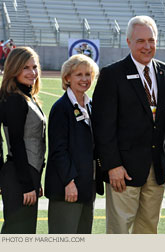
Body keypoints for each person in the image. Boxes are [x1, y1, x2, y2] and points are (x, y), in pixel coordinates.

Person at [92, 15, 165, 234]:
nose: (147, 46)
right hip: (124, 170)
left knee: (149, 229)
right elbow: (103, 126)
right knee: (119, 230)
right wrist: (112, 165)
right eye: (140, 41)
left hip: (156, 169)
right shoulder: (112, 75)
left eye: (151, 40)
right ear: (128, 42)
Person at [45, 54, 103, 234]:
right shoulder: (61, 108)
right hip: (68, 187)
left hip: (87, 186)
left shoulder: (90, 105)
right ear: (67, 78)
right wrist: (69, 182)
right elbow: (58, 150)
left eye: (88, 74)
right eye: (79, 74)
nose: (84, 79)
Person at [0, 47, 46, 234]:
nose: (32, 72)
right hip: (19, 177)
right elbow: (17, 143)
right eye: (25, 67)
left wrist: (36, 181)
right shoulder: (14, 99)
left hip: (27, 174)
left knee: (25, 234)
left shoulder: (28, 97)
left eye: (34, 67)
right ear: (14, 69)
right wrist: (27, 184)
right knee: (16, 234)